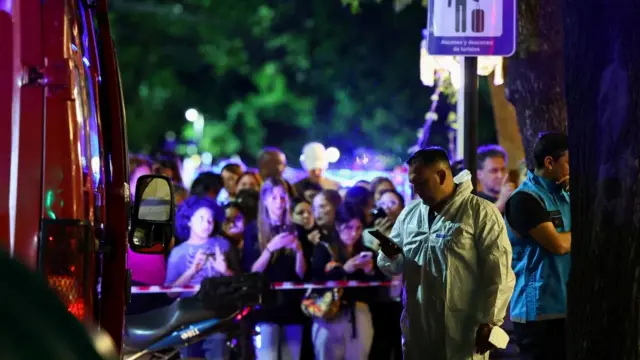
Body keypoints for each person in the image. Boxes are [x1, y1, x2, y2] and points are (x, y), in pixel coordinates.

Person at [377, 146, 515, 360]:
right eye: (413, 184)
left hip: (463, 333)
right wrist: (390, 254)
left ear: (441, 175)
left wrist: (489, 322)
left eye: (421, 183)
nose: (416, 191)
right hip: (418, 332)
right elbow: (392, 267)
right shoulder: (410, 214)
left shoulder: (479, 212)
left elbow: (499, 272)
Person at [504, 132, 571, 360]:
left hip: (567, 306)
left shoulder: (567, 194)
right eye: (569, 162)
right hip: (537, 312)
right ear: (549, 162)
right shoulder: (524, 199)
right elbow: (558, 245)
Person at [165, 196, 240, 360]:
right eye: (201, 218)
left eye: (210, 220)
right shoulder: (178, 253)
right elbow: (170, 293)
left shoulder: (223, 246)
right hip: (187, 322)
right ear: (188, 221)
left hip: (217, 320)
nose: (207, 224)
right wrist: (191, 272)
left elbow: (239, 282)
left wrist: (225, 270)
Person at [476, 145, 515, 213]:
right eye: (494, 171)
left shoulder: (512, 198)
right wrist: (501, 201)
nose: (500, 175)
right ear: (479, 174)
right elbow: (481, 221)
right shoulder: (474, 201)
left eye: (503, 169)